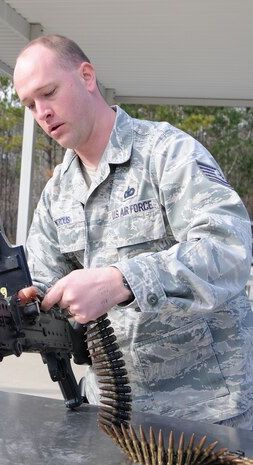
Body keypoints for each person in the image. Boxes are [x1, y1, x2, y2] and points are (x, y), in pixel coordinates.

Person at [13, 35, 253, 428]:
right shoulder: (58, 192)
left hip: (208, 410)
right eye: (30, 104)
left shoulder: (166, 152)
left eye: (49, 92)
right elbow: (41, 283)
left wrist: (122, 280)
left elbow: (229, 249)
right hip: (114, 408)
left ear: (87, 76)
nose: (42, 112)